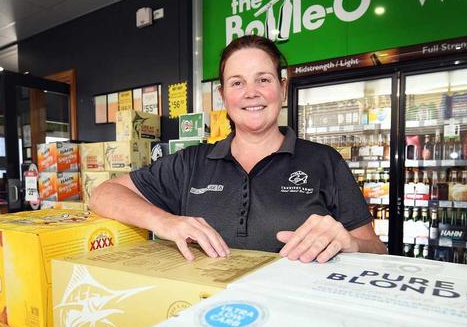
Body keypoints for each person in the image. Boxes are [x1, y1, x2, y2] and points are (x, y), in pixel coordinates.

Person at [89, 35, 387, 262]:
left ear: (283, 88)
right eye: (237, 83)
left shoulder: (324, 161)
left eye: (263, 79)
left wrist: (350, 243)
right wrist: (165, 222)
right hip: (205, 320)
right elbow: (102, 194)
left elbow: (377, 251)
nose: (251, 93)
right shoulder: (191, 162)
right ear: (223, 96)